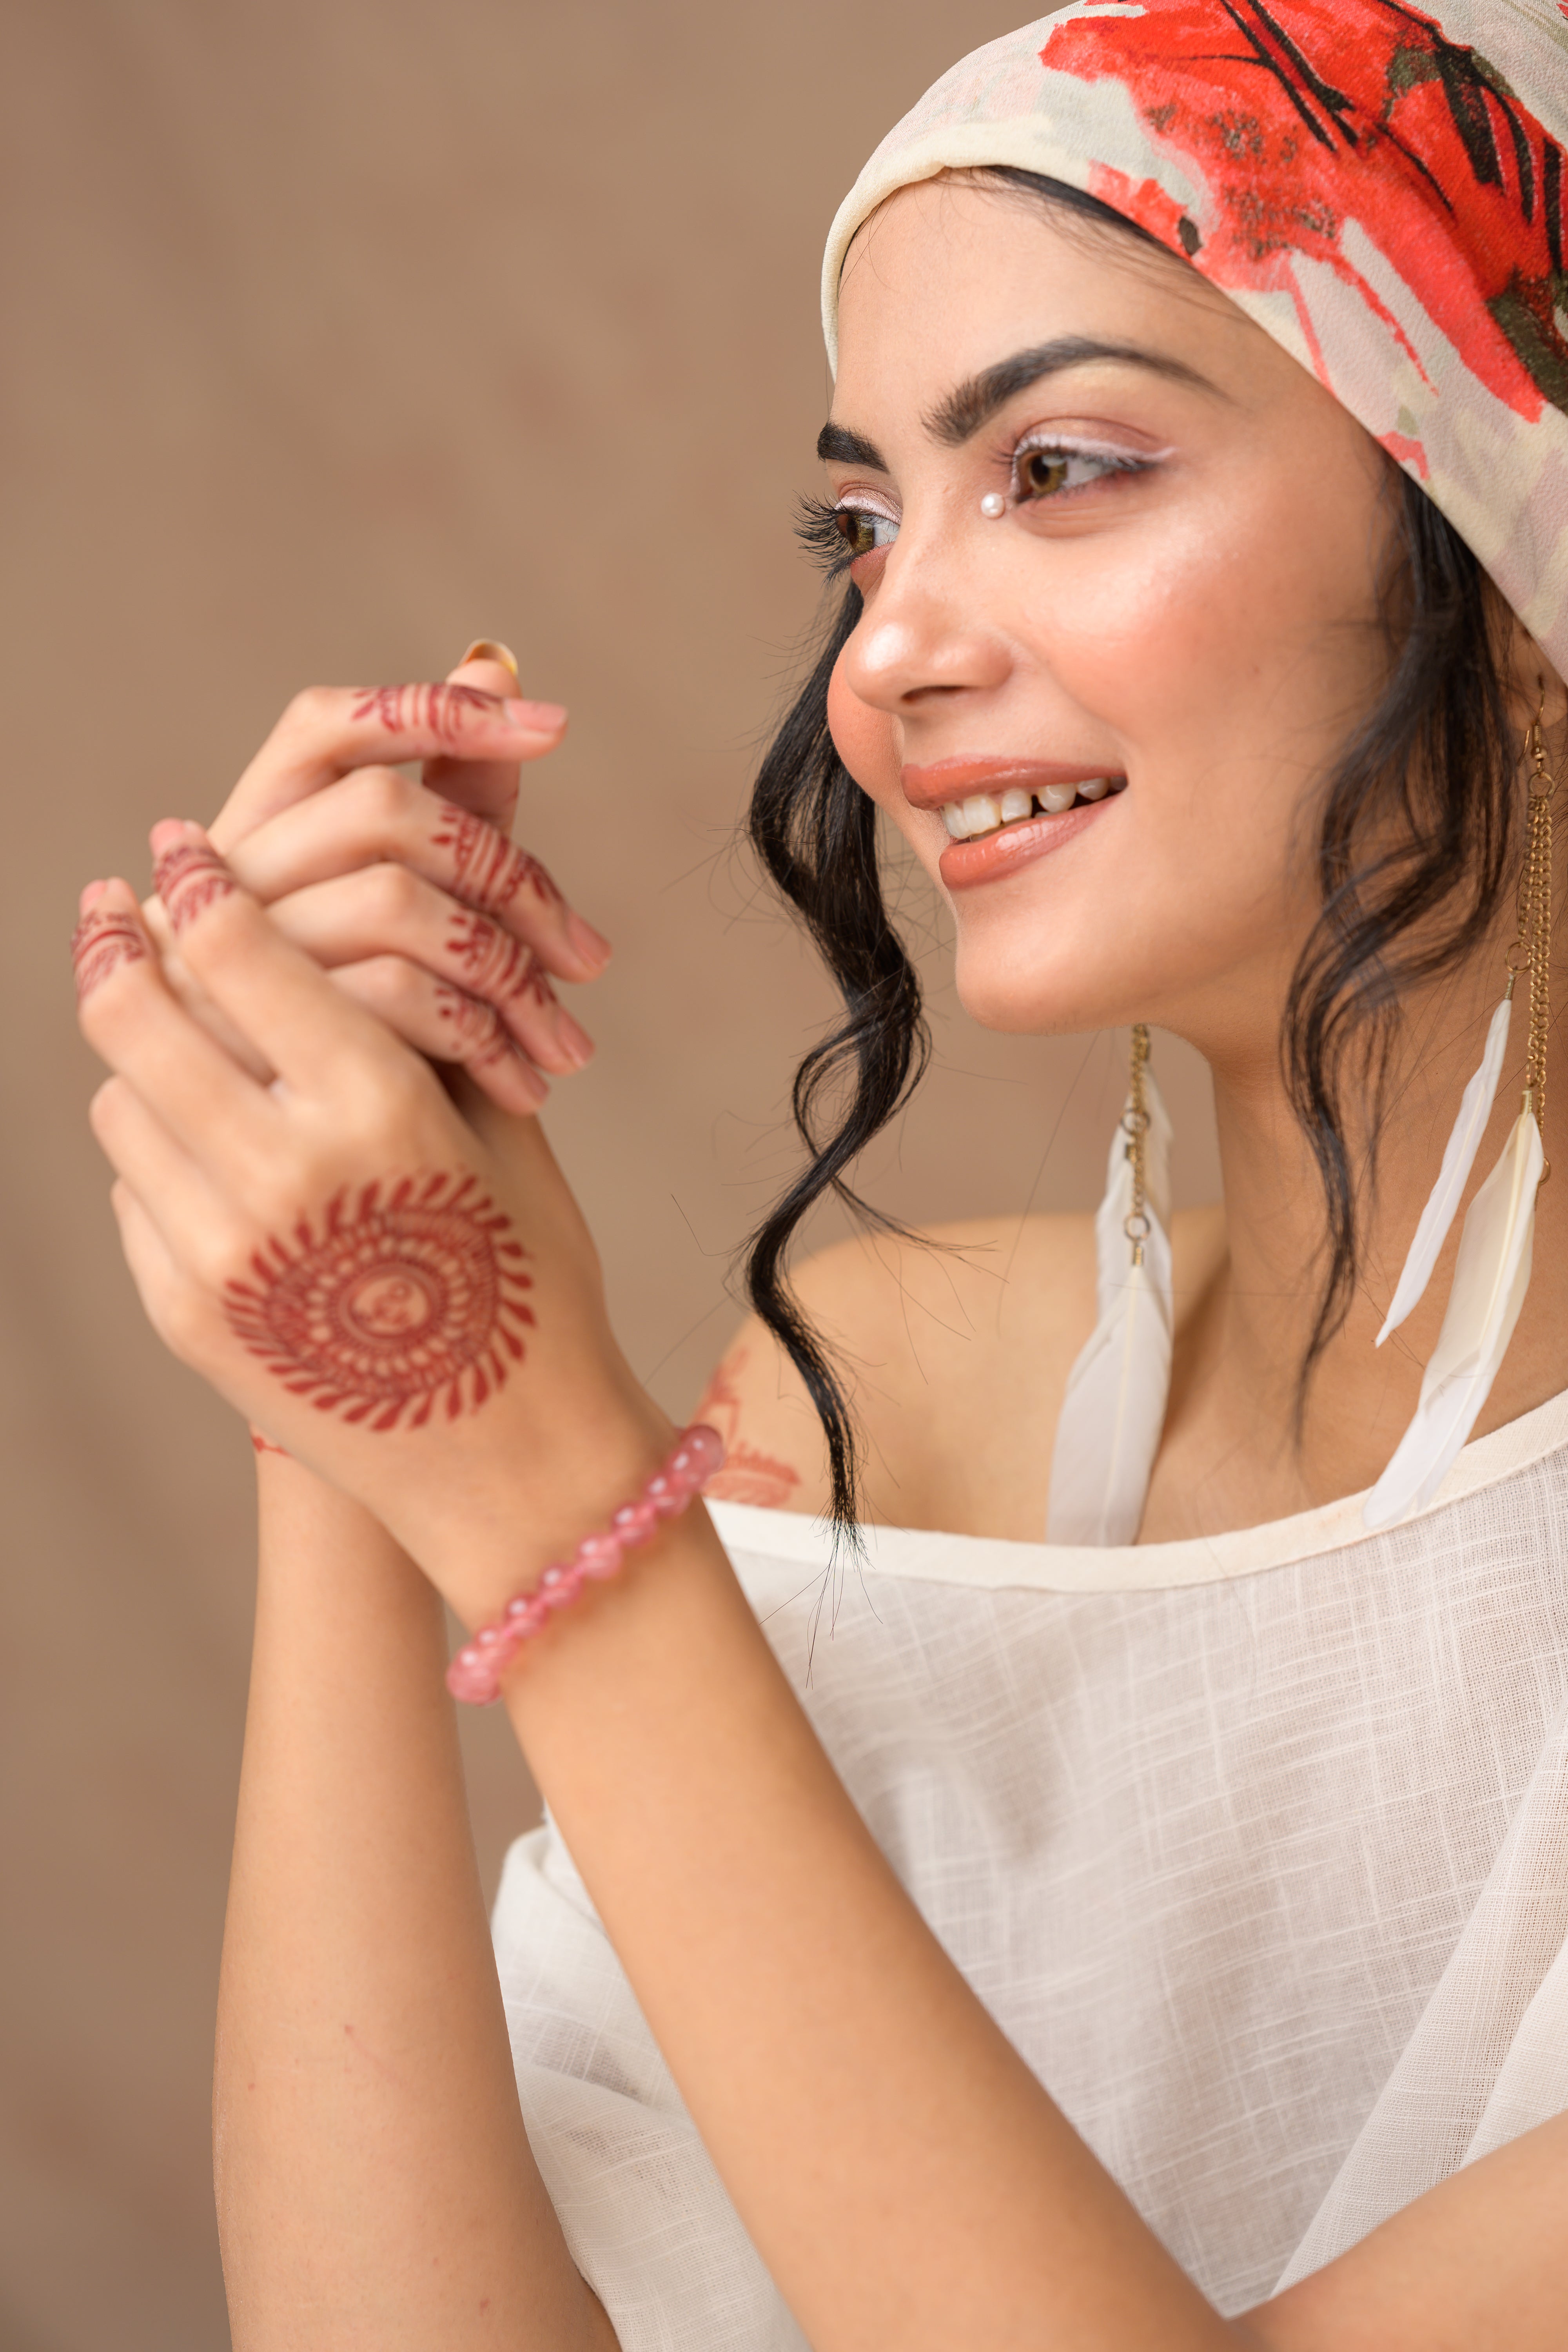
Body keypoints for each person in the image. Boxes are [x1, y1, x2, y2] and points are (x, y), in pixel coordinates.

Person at [72, 4, 1568, 2346]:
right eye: (863, 525)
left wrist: (561, 1498)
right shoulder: (879, 1403)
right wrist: (361, 1400)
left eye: (1063, 467)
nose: (883, 662)